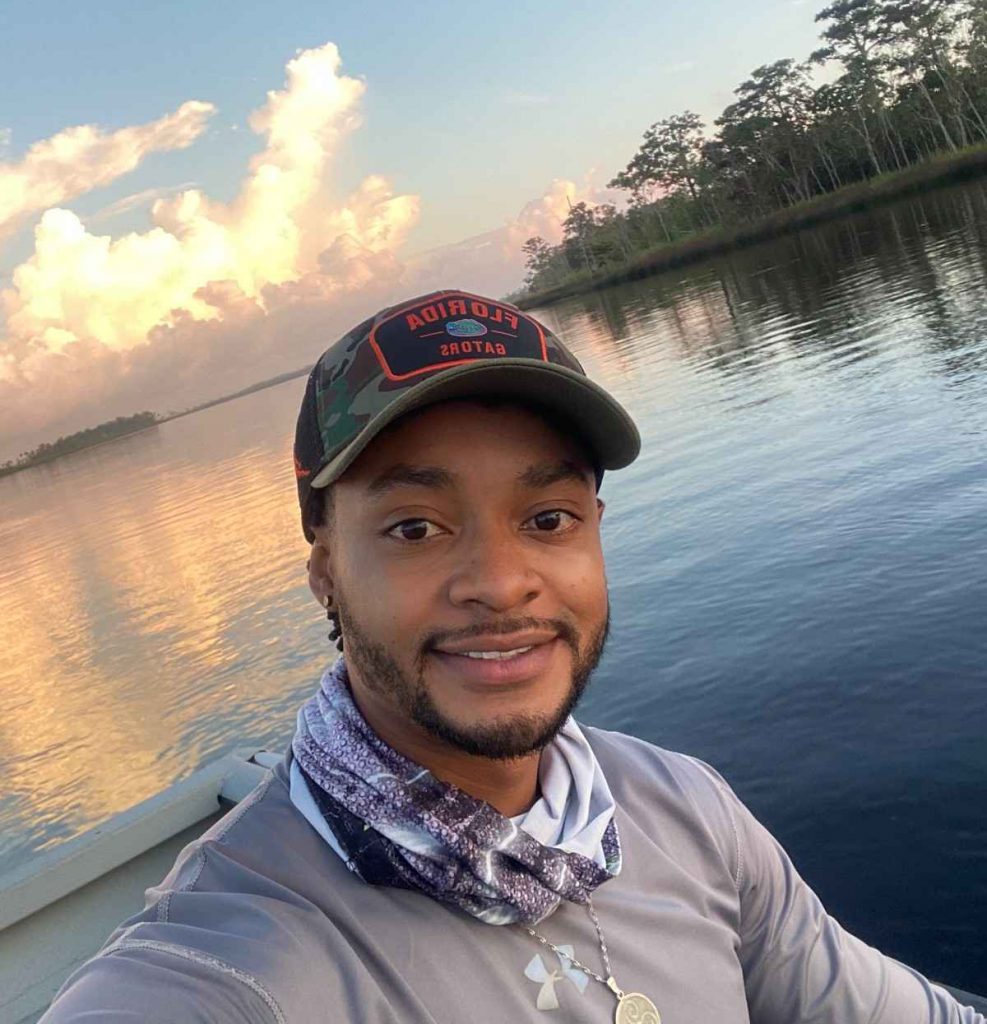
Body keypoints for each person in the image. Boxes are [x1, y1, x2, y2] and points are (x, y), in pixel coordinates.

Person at [42, 289, 984, 1023]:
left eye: (546, 520)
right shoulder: (234, 957)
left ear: (595, 534)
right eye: (414, 527)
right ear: (324, 569)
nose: (499, 581)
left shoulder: (682, 808)